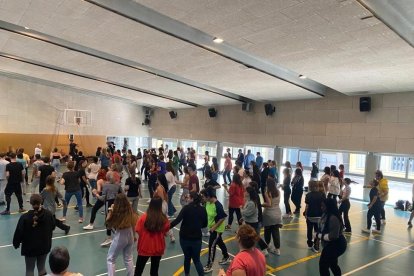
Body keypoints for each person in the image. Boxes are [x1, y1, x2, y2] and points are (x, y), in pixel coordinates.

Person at [13, 194, 55, 276]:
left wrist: (16, 243)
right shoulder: (49, 214)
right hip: (44, 245)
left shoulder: (24, 217)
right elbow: (53, 226)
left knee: (29, 269)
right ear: (41, 202)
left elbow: (19, 232)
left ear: (31, 204)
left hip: (30, 248)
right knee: (42, 268)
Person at [170, 192, 208, 276]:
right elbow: (205, 225)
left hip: (184, 238)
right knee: (197, 260)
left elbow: (177, 221)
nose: (187, 199)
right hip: (197, 239)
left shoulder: (186, 208)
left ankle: (187, 274)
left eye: (188, 197)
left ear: (192, 199)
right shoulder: (203, 209)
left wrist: (166, 228)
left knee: (187, 258)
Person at [134, 197, 170, 276]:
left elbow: (138, 231)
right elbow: (166, 233)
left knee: (138, 271)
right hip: (158, 248)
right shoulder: (163, 219)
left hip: (144, 247)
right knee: (154, 272)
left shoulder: (143, 218)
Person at [106, 193, 138, 276]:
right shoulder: (130, 210)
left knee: (111, 259)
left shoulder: (116, 212)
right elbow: (133, 224)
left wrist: (110, 210)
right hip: (130, 234)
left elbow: (108, 223)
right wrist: (134, 236)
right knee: (129, 258)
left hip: (121, 236)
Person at [202, 187, 230, 273]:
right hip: (211, 228)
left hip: (217, 230)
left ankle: (209, 265)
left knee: (211, 246)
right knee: (219, 242)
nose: (203, 198)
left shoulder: (218, 205)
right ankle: (226, 257)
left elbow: (223, 217)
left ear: (209, 196)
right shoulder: (207, 203)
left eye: (204, 197)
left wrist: (214, 227)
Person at [317, 198, 347, 276]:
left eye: (323, 206)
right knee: (332, 264)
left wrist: (319, 235)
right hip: (331, 244)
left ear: (328, 207)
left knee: (323, 265)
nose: (321, 208)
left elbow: (333, 236)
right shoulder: (325, 214)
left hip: (337, 244)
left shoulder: (333, 218)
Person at [240, 186, 269, 256]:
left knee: (255, 236)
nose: (244, 192)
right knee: (253, 236)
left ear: (249, 193)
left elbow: (247, 213)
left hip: (252, 223)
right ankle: (253, 248)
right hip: (249, 222)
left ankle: (264, 248)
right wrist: (243, 218)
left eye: (246, 191)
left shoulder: (252, 203)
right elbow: (246, 213)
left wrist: (241, 209)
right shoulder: (249, 201)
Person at [262, 178, 282, 255]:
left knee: (267, 231)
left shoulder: (267, 192)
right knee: (276, 232)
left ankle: (267, 246)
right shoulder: (278, 192)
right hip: (277, 213)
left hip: (269, 214)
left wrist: (261, 204)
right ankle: (277, 249)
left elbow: (269, 204)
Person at [304, 181, 325, 253]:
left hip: (310, 215)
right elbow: (323, 206)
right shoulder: (322, 195)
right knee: (317, 230)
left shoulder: (308, 195)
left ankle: (310, 244)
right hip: (319, 216)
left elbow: (307, 206)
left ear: (310, 187)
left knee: (309, 230)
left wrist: (305, 214)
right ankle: (316, 245)